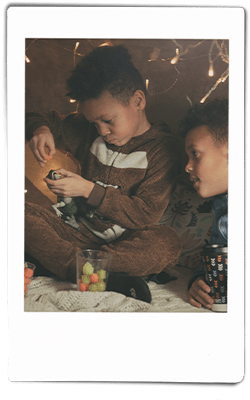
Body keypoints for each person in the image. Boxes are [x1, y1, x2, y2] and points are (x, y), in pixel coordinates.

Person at [25, 44, 182, 303]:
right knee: (16, 213)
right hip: (72, 234)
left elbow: (145, 214)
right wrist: (40, 129)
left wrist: (88, 190)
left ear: (138, 101)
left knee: (167, 242)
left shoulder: (163, 149)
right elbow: (37, 116)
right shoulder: (88, 131)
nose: (101, 131)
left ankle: (69, 267)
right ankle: (95, 273)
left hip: (123, 245)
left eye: (108, 121)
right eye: (93, 123)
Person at [181, 98, 228, 309]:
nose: (187, 167)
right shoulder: (222, 205)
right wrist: (199, 282)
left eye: (195, 154)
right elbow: (214, 260)